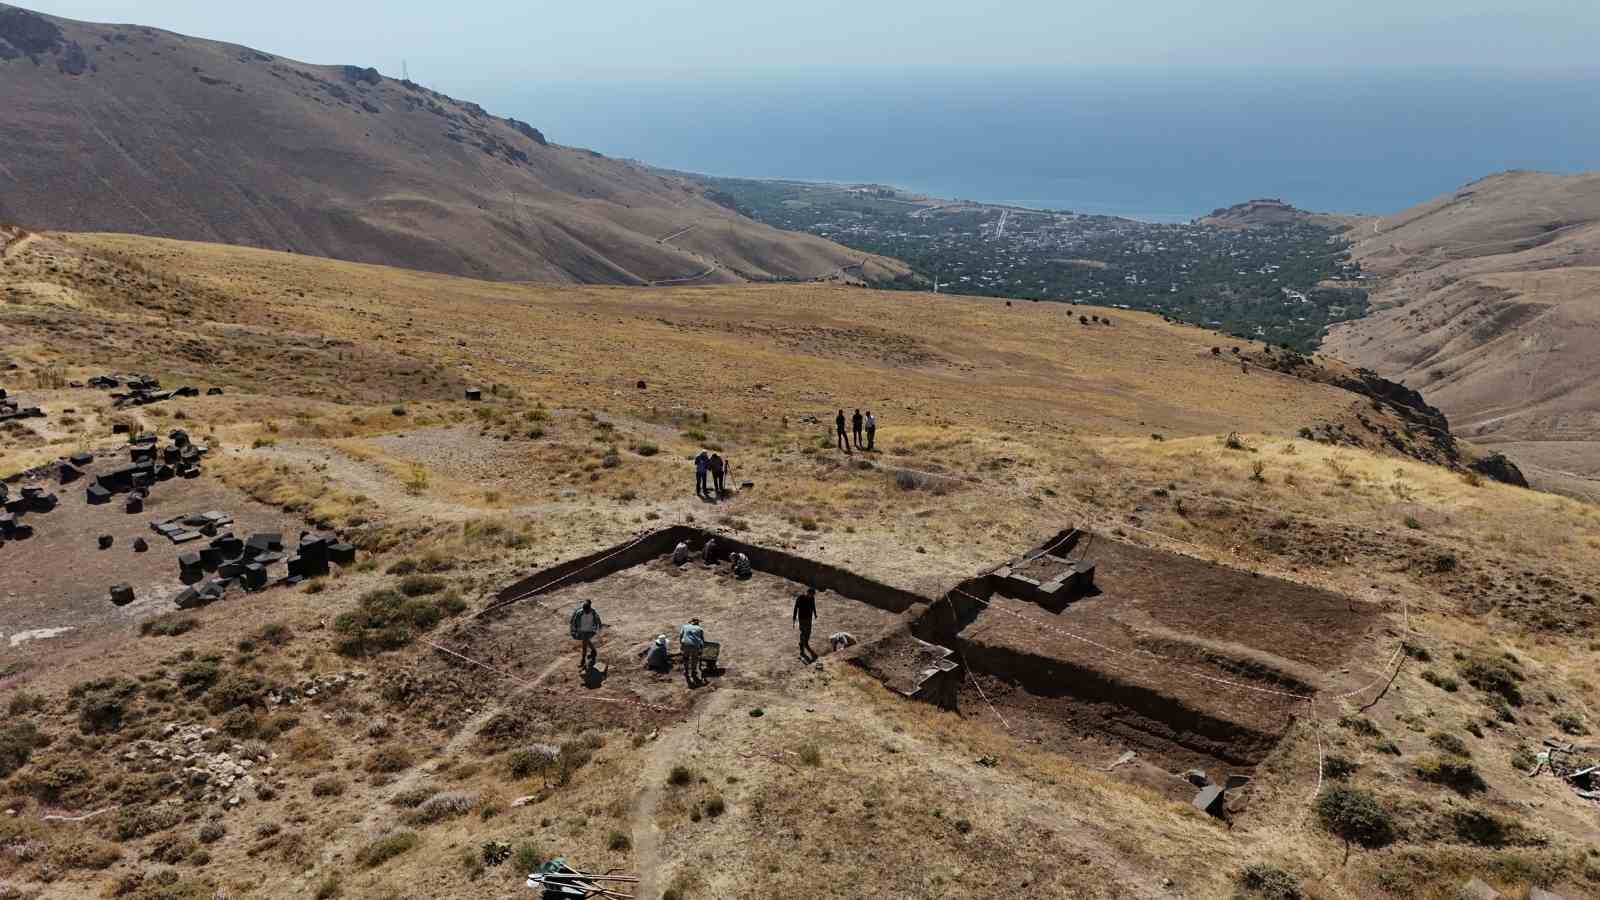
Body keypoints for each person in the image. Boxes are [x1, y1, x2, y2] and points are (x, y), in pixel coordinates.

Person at [568, 599, 602, 672]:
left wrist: (599, 628)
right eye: (585, 611)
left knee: (584, 644)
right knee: (586, 640)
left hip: (590, 630)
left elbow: (598, 620)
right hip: (582, 630)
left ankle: (583, 659)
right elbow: (573, 622)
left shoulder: (593, 612)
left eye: (587, 611)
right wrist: (574, 631)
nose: (586, 612)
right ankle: (593, 651)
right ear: (583, 609)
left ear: (590, 608)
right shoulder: (579, 613)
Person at [678, 617, 706, 686]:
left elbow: (681, 635)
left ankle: (686, 670)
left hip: (685, 644)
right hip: (694, 645)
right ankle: (693, 671)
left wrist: (681, 644)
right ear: (698, 623)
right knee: (694, 659)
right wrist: (701, 648)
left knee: (686, 657)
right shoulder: (700, 629)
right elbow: (702, 639)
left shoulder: (684, 626)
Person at [793, 586, 817, 662]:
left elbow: (813, 606)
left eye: (812, 595)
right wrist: (794, 617)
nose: (811, 596)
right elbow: (796, 607)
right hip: (802, 618)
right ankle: (802, 649)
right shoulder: (800, 598)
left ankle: (805, 643)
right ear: (808, 593)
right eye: (811, 594)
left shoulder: (812, 598)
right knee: (803, 633)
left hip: (809, 618)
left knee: (808, 632)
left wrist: (815, 614)